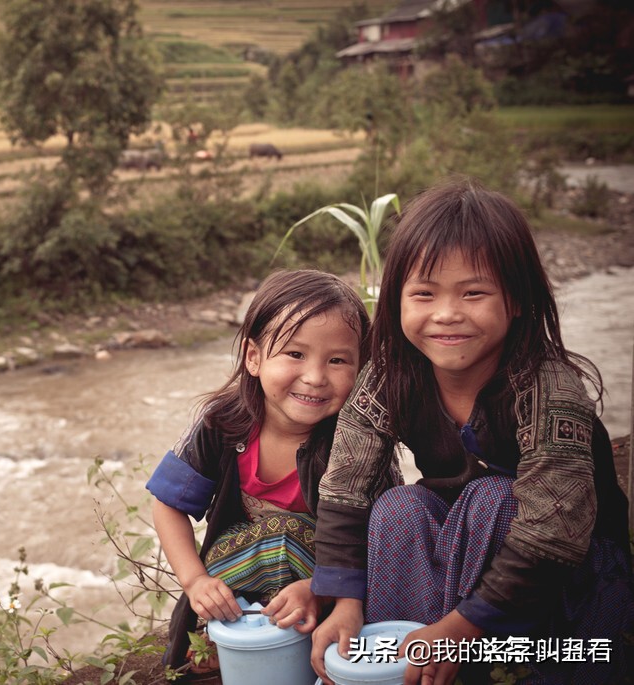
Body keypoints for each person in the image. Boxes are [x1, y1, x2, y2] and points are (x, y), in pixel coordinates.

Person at [309, 178, 632, 685]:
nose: (446, 314)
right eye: (423, 294)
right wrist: (345, 602)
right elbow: (345, 485)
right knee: (400, 508)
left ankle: (467, 662)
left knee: (493, 499)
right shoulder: (391, 375)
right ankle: (405, 660)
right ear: (397, 301)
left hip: (566, 589)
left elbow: (553, 533)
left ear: (519, 299)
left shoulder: (547, 388)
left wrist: (461, 627)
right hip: (460, 570)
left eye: (474, 293)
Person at [145, 269, 402, 670]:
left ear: (360, 371)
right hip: (237, 577)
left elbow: (383, 537)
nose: (315, 377)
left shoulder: (359, 439)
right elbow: (168, 504)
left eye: (337, 360)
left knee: (292, 536)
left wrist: (318, 590)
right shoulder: (222, 423)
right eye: (295, 354)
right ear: (253, 357)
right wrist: (196, 581)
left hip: (336, 581)